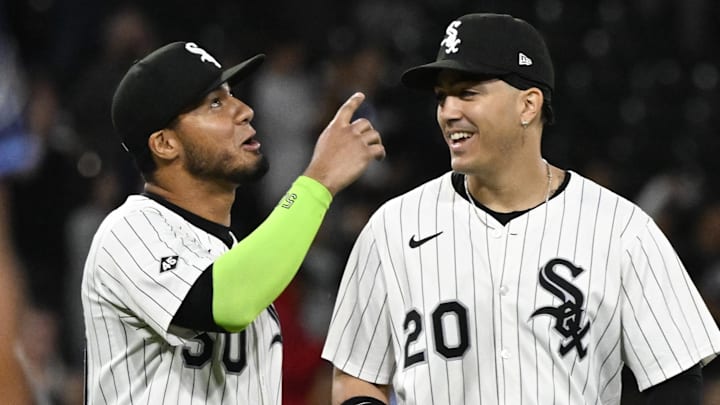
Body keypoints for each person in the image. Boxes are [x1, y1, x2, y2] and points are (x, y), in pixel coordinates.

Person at [321, 13, 720, 405]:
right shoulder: (392, 228)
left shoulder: (621, 229)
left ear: (528, 105)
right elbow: (356, 377)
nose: (448, 111)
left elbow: (675, 375)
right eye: (442, 97)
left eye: (468, 92)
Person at [81, 41, 385, 404]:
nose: (244, 111)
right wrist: (318, 183)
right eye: (214, 103)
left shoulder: (235, 256)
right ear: (164, 144)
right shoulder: (129, 230)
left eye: (232, 96)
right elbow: (224, 303)